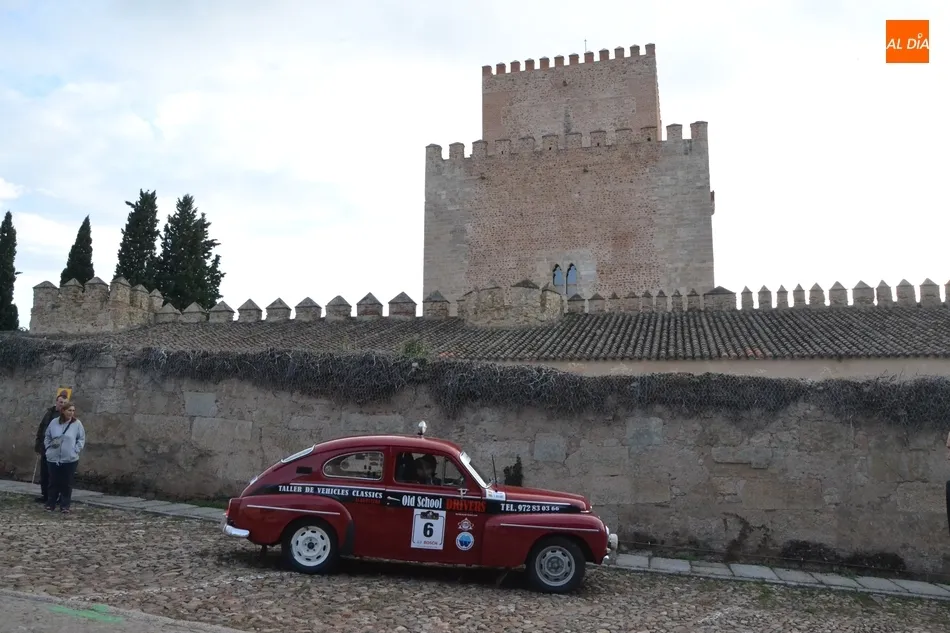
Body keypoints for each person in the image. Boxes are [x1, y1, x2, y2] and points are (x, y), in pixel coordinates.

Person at [44, 400, 85, 514]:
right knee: (53, 482)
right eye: (69, 410)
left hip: (69, 459)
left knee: (67, 483)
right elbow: (47, 436)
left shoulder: (77, 424)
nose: (71, 413)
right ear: (63, 411)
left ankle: (65, 505)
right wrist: (48, 448)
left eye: (73, 411)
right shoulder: (54, 422)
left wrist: (75, 450)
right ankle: (50, 504)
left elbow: (81, 438)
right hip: (53, 458)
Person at [33, 391, 68, 503]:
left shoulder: (65, 416)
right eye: (60, 402)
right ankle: (45, 495)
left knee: (54, 475)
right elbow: (41, 428)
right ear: (56, 402)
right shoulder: (49, 413)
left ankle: (55, 496)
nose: (62, 404)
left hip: (56, 449)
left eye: (64, 403)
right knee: (44, 473)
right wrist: (38, 444)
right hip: (45, 447)